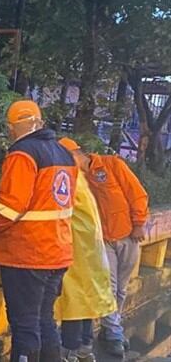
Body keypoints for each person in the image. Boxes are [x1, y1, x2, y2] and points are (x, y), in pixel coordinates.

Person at [0, 100, 76, 362]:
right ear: (40, 122)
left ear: (12, 127)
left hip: (28, 254)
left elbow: (11, 208)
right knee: (44, 320)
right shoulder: (63, 153)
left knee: (25, 325)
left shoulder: (22, 154)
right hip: (58, 251)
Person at [68, 140, 149, 357]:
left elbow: (137, 194)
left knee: (121, 288)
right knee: (109, 287)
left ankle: (110, 328)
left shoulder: (112, 165)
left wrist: (139, 223)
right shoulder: (75, 180)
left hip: (127, 235)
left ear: (77, 154)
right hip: (101, 241)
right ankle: (114, 334)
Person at [55, 137, 116, 362]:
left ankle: (70, 350)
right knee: (85, 301)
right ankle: (84, 348)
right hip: (89, 250)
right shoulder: (79, 178)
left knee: (74, 302)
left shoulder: (70, 177)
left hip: (76, 250)